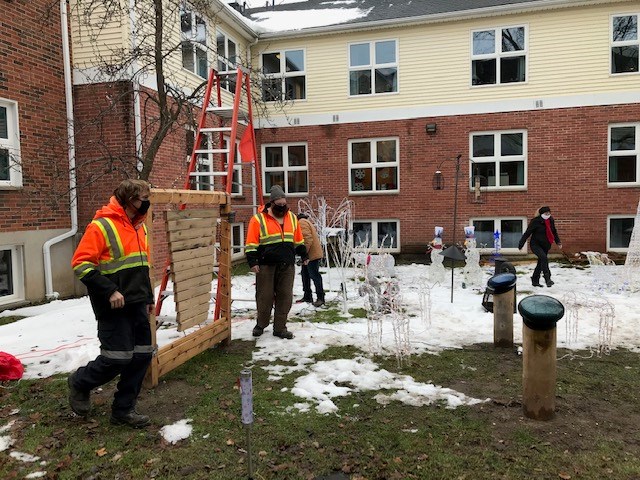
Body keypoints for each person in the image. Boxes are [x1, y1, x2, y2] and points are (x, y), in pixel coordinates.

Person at [68, 179, 154, 428]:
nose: (146, 202)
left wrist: (148, 298)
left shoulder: (140, 227)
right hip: (113, 306)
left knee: (141, 356)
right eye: (142, 198)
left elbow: (142, 267)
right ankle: (80, 382)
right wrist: (110, 291)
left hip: (137, 303)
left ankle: (123, 410)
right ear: (128, 199)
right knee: (117, 358)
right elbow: (81, 264)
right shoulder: (101, 226)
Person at [245, 185, 308, 339]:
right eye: (278, 204)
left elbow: (298, 240)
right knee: (264, 296)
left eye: (284, 204)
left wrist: (304, 255)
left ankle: (280, 328)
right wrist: (253, 262)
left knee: (285, 297)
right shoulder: (258, 219)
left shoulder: (292, 217)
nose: (282, 207)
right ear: (271, 203)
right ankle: (261, 324)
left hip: (287, 265)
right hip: (266, 265)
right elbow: (251, 243)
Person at [518, 206, 562, 287]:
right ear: (541, 214)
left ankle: (535, 280)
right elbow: (527, 233)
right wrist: (521, 244)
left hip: (546, 244)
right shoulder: (535, 221)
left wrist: (558, 241)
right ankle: (547, 279)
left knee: (541, 262)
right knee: (544, 258)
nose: (548, 214)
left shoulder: (550, 220)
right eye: (546, 213)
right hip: (535, 244)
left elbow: (554, 231)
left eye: (549, 213)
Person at [296, 212, 325, 307]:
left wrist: (304, 253)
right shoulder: (305, 221)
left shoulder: (301, 223)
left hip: (311, 255)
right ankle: (307, 296)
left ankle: (320, 298)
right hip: (310, 254)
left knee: (314, 275)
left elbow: (307, 239)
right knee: (305, 275)